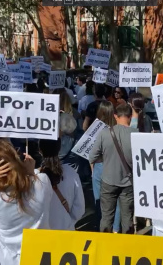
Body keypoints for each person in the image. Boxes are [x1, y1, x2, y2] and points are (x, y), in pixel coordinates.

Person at [0, 140, 53, 265]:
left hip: (7, 260)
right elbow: (35, 180)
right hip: (39, 257)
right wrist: (30, 172)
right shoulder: (43, 181)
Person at [89, 104, 138, 233]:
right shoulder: (137, 134)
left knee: (106, 217)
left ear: (115, 116)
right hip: (128, 182)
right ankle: (126, 246)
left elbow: (92, 157)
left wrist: (106, 158)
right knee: (127, 217)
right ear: (130, 116)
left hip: (108, 181)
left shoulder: (104, 133)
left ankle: (106, 246)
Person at [39, 138, 85, 230]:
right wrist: (68, 222)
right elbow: (80, 208)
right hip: (66, 232)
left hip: (42, 236)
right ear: (59, 148)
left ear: (40, 150)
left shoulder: (34, 177)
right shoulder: (71, 173)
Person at [91, 100, 120, 232]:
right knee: (115, 199)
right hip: (115, 166)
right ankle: (115, 229)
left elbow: (90, 153)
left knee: (99, 200)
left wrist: (92, 169)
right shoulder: (118, 129)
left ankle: (102, 228)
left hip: (99, 166)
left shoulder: (95, 130)